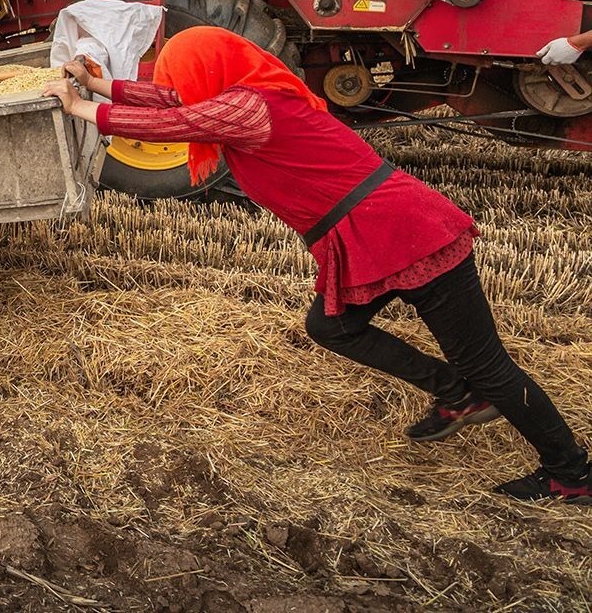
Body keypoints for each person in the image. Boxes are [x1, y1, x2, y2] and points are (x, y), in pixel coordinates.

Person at [43, 26, 591, 503]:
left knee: (488, 366)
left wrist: (80, 108)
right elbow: (171, 100)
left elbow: (176, 120)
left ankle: (572, 474)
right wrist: (96, 84)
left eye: (186, 75)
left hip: (406, 230)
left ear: (211, 69)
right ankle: (454, 391)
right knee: (331, 326)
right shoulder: (238, 93)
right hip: (368, 231)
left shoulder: (249, 106)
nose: (181, 86)